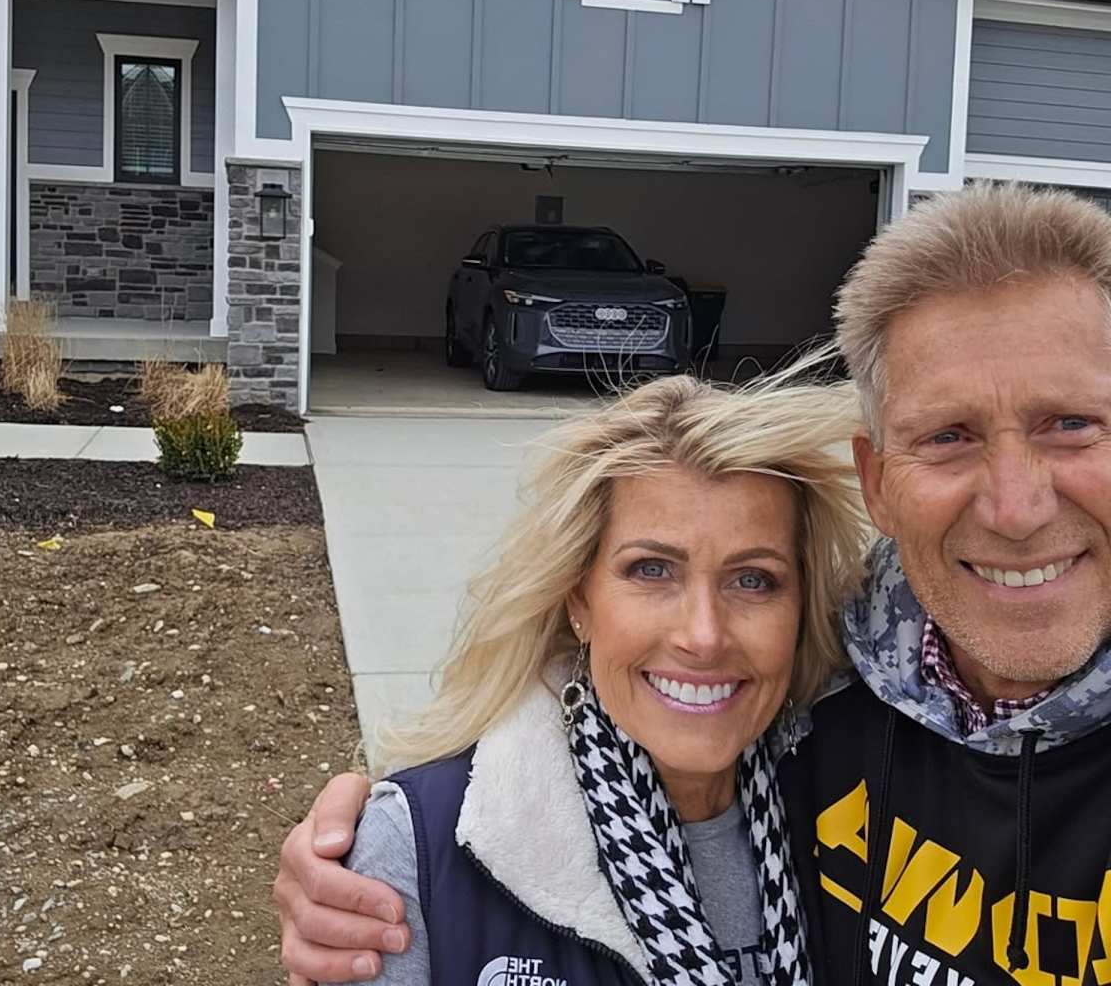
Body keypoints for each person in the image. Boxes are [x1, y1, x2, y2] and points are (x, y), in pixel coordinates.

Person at [276, 183, 1111, 986]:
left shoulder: (798, 742)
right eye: (950, 435)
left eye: (1071, 423)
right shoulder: (835, 729)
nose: (1015, 509)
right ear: (879, 481)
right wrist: (383, 837)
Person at [285, 370, 869, 986]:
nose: (704, 635)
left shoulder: (860, 816)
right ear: (579, 597)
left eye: (753, 580)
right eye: (651, 570)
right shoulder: (421, 848)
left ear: (800, 608)